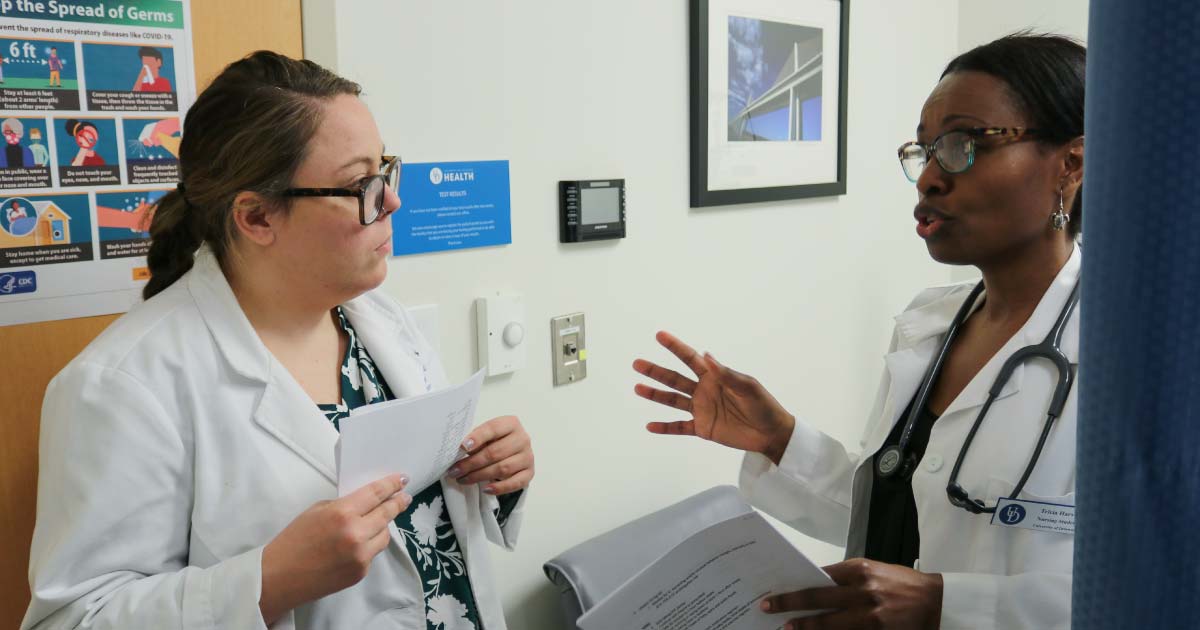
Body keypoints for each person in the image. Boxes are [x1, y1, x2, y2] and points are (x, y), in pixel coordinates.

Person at [23, 51, 534, 630]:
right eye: (360, 184)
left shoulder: (381, 323)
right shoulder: (123, 384)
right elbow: (71, 620)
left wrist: (495, 477)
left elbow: (425, 532)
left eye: (385, 170)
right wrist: (268, 582)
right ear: (257, 217)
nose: (392, 201)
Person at [634, 33, 1084, 629]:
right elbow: (902, 507)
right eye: (924, 151)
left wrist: (946, 605)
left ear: (1069, 164)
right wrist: (780, 440)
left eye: (963, 143)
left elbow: (1159, 589)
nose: (928, 178)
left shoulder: (1133, 358)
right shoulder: (933, 325)